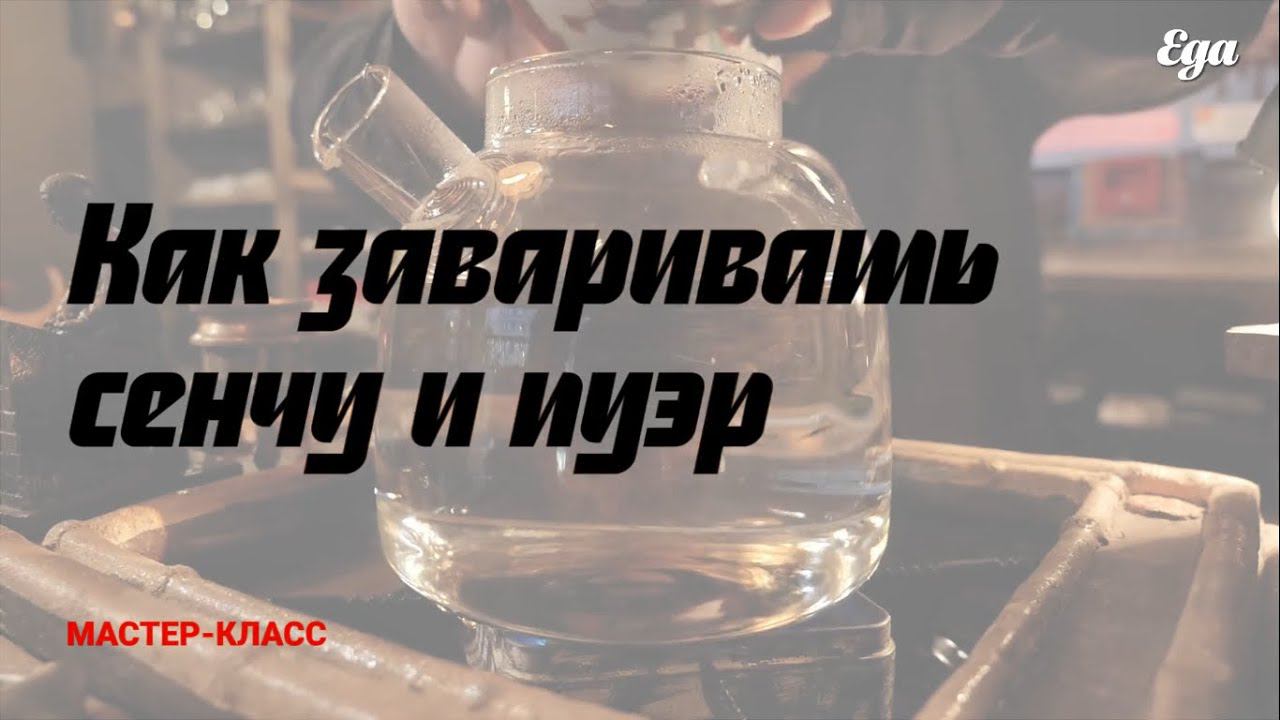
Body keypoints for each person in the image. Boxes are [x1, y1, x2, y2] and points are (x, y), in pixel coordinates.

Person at [292, 0, 1270, 452]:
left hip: (942, 549)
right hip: (558, 545)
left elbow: (1214, 28)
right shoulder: (500, 86)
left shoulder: (947, 69)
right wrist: (438, 53)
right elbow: (327, 88)